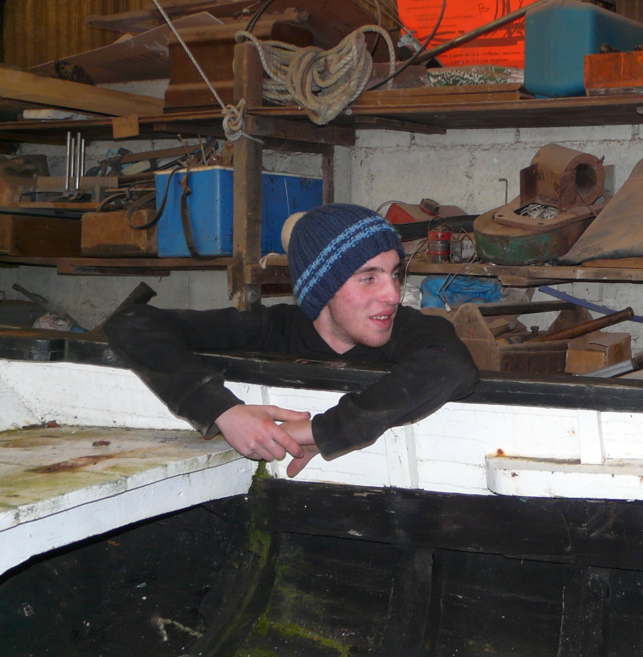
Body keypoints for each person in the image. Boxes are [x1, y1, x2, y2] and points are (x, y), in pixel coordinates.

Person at [105, 203, 478, 477]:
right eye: (369, 278)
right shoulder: (271, 329)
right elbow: (132, 323)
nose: (393, 295)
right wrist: (222, 411)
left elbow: (452, 366)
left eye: (395, 274)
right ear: (321, 288)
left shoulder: (407, 329)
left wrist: (324, 431)